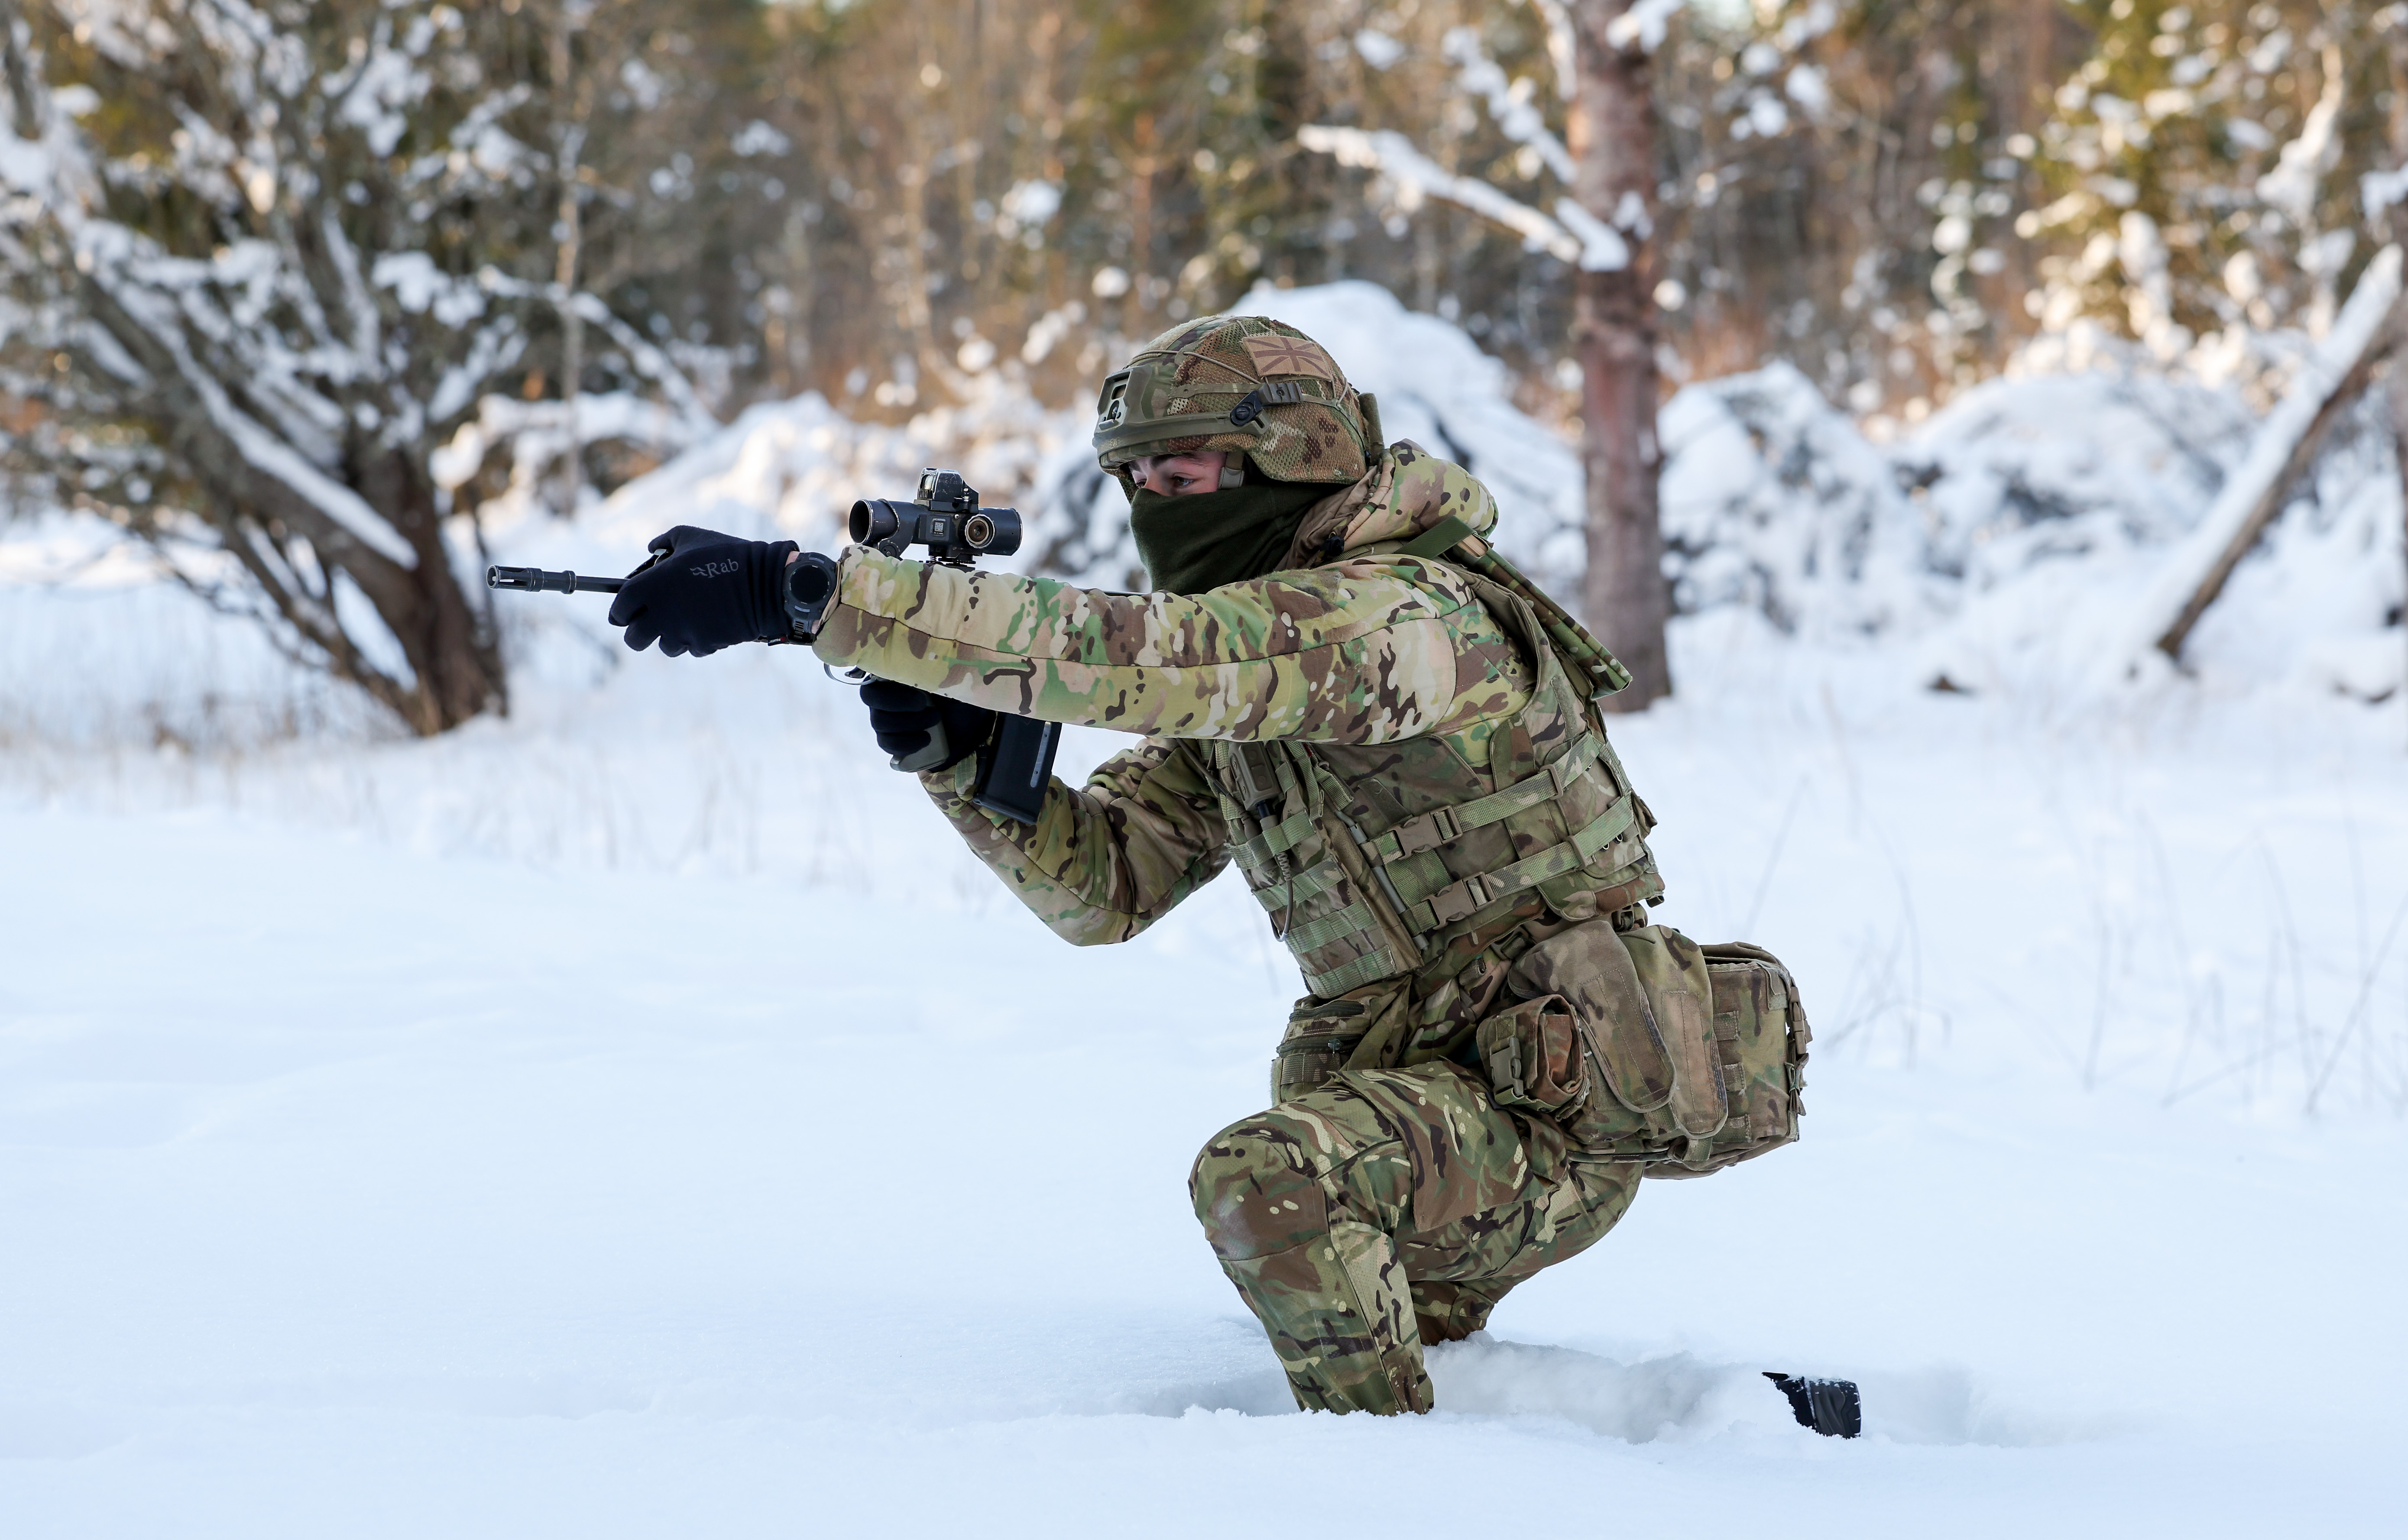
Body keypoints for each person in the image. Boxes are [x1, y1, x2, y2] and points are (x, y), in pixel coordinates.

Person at [605, 316, 1742, 1417]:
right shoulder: (1278, 675)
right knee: (1363, 1279)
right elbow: (1105, 885)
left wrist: (815, 598)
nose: (1154, 512)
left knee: (1269, 1183)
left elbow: (1162, 659)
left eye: (1184, 483)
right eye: (1137, 485)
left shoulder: (1399, 619)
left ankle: (1397, 1504)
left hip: (1553, 1109)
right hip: (1435, 1095)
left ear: (1291, 460)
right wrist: (950, 756)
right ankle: (1632, 1428)